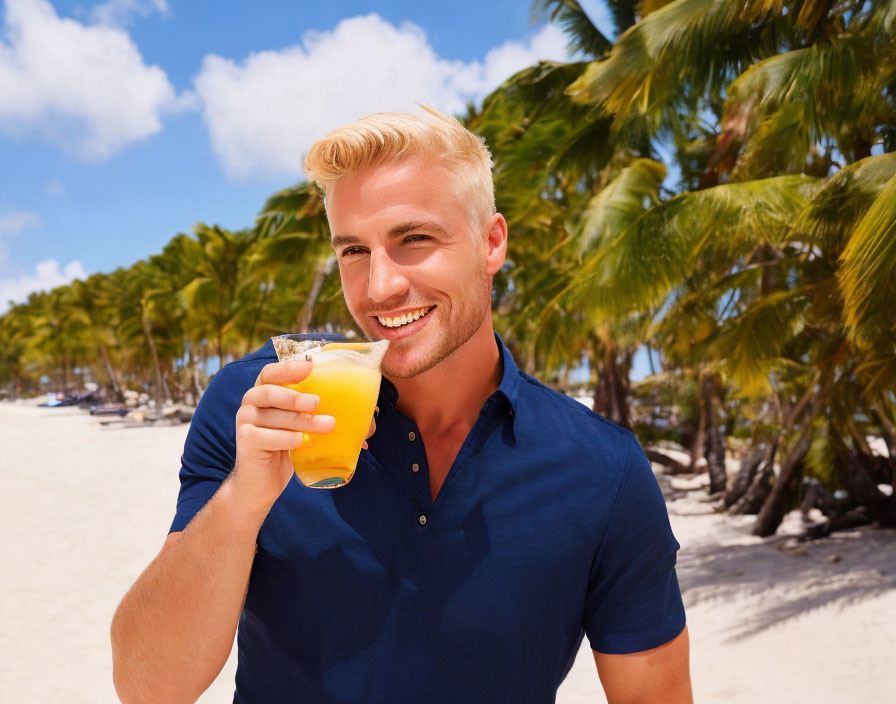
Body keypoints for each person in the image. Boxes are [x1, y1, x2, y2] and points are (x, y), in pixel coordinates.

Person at [111, 107, 692, 703]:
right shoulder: (258, 405)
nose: (380, 286)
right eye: (354, 251)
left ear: (490, 243)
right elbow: (147, 686)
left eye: (413, 238)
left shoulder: (603, 469)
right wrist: (241, 503)